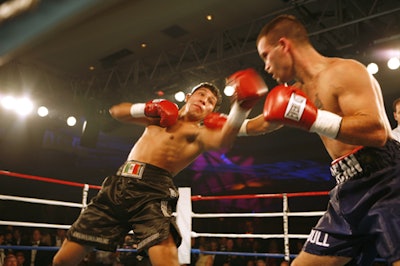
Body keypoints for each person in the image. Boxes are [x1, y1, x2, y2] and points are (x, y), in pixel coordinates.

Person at [52, 70, 268, 266]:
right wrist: (147, 107)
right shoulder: (158, 118)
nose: (204, 101)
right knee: (62, 260)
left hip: (152, 192)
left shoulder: (199, 133)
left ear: (211, 111)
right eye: (201, 95)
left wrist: (241, 107)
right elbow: (117, 112)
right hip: (118, 185)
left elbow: (226, 139)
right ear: (188, 97)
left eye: (210, 101)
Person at [238, 14, 400, 265]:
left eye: (265, 55)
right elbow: (263, 123)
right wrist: (229, 120)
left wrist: (313, 119)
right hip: (346, 189)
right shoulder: (298, 92)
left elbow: (377, 133)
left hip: (387, 181)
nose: (266, 67)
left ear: (284, 45)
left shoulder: (345, 71)